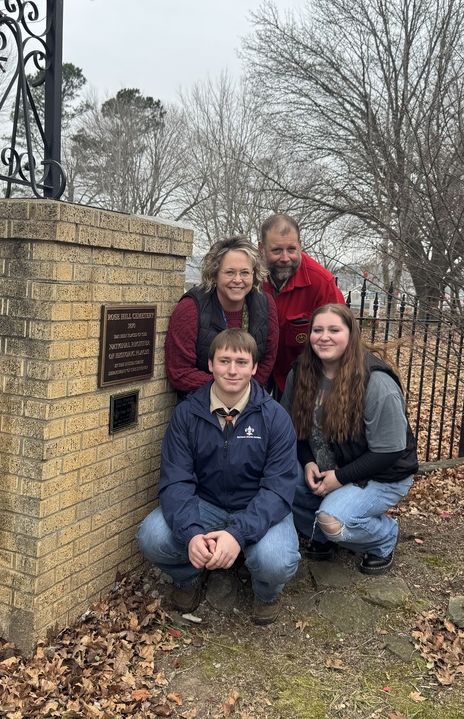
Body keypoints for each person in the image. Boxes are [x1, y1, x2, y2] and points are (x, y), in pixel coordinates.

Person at [138, 329, 300, 624]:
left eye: (241, 362)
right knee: (152, 536)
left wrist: (238, 534)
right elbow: (176, 480)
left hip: (257, 506)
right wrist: (190, 534)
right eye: (224, 361)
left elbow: (278, 490)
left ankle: (265, 593)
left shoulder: (275, 418)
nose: (232, 370)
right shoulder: (187, 414)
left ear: (254, 367)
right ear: (210, 365)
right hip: (206, 504)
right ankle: (189, 577)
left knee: (276, 560)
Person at [281, 304, 418, 575]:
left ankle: (384, 538)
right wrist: (307, 462)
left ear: (351, 334)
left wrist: (340, 477)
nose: (324, 336)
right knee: (278, 481)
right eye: (317, 330)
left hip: (382, 473)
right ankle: (321, 536)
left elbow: (389, 451)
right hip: (327, 466)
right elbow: (291, 430)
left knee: (333, 520)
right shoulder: (301, 372)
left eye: (334, 330)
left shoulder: (375, 381)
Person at [166, 236, 278, 399]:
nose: (238, 280)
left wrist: (245, 396)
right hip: (201, 403)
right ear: (214, 274)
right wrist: (230, 390)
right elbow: (179, 372)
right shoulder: (191, 309)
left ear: (254, 275)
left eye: (245, 272)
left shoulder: (265, 304)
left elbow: (267, 359)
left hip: (249, 401)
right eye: (230, 272)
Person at [258, 215, 345, 395]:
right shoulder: (248, 278)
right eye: (276, 250)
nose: (285, 258)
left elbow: (342, 339)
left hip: (304, 377)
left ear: (301, 245)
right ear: (262, 249)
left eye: (291, 249)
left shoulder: (321, 283)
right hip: (256, 373)